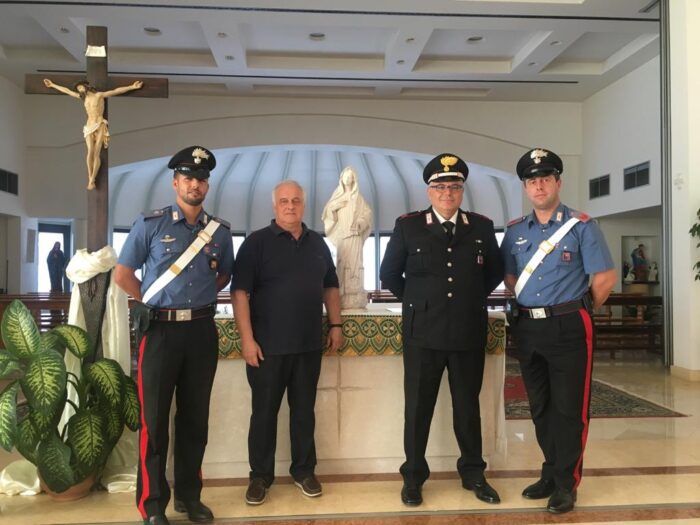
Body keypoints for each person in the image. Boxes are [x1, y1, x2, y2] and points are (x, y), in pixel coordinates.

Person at [114, 145, 234, 525]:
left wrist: (194, 301)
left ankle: (189, 496)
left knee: (195, 420)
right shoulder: (150, 224)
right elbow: (122, 274)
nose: (194, 184)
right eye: (188, 178)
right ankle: (152, 505)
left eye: (201, 179)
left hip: (201, 330)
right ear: (175, 182)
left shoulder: (219, 232)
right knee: (155, 423)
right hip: (161, 331)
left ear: (207, 186)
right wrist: (148, 301)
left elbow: (223, 275)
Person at [379, 153, 504, 507]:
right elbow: (389, 274)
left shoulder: (480, 226)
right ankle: (414, 478)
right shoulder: (409, 226)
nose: (447, 192)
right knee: (418, 409)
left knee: (468, 408)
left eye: (454, 186)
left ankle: (474, 474)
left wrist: (467, 298)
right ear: (429, 190)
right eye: (440, 186)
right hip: (423, 334)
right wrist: (419, 302)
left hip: (467, 330)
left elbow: (492, 272)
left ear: (462, 190)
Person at [500, 148, 616, 514]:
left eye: (545, 178)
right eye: (532, 180)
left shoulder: (582, 226)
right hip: (528, 327)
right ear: (525, 187)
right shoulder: (516, 230)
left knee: (570, 410)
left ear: (557, 183)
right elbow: (510, 276)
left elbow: (605, 278)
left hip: (569, 326)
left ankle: (567, 484)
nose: (539, 185)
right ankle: (550, 471)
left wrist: (575, 309)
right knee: (540, 407)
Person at [232, 180, 343, 506]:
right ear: (274, 205)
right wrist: (247, 340)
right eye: (284, 201)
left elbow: (331, 286)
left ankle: (303, 471)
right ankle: (260, 477)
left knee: (304, 414)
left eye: (295, 200)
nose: (290, 205)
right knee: (263, 414)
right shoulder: (256, 244)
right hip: (266, 349)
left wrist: (335, 323)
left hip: (309, 347)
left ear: (303, 205)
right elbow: (240, 293)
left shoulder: (318, 244)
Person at [43, 78, 143, 190]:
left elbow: (116, 91)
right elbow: (67, 91)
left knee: (96, 152)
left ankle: (92, 179)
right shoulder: (83, 98)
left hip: (99, 123)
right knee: (89, 151)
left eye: (80, 87)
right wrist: (52, 84)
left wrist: (132, 87)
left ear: (86, 86)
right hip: (89, 125)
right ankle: (90, 177)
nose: (80, 90)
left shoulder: (99, 95)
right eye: (78, 89)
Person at [321, 166, 373, 309]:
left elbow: (367, 214)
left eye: (351, 176)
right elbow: (327, 215)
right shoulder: (337, 197)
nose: (348, 179)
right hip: (342, 238)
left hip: (355, 236)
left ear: (354, 179)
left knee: (356, 265)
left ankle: (356, 294)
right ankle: (343, 294)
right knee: (343, 264)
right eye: (346, 176)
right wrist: (334, 208)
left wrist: (360, 222)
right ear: (342, 179)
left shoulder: (358, 198)